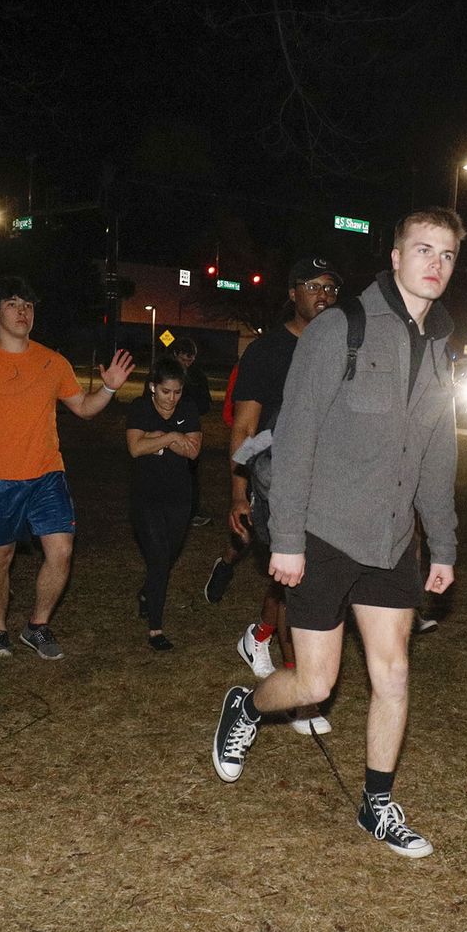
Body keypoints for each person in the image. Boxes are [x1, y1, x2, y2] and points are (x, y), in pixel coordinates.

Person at [211, 211, 461, 859]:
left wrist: (443, 543)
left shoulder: (440, 347)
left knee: (394, 672)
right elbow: (293, 440)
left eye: (448, 254)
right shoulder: (339, 328)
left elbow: (438, 451)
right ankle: (246, 707)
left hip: (390, 540)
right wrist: (286, 538)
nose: (435, 263)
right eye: (423, 249)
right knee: (315, 683)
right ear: (397, 256)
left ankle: (377, 805)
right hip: (323, 533)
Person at [0, 277, 134, 660]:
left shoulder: (52, 360)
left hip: (47, 472)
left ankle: (37, 625)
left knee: (61, 550)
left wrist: (109, 388)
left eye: (27, 306)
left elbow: (83, 408)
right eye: (13, 305)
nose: (22, 312)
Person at [207, 257, 342, 736]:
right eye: (312, 285)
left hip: (329, 483)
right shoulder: (267, 352)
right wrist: (238, 493)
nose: (323, 295)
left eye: (330, 287)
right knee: (299, 576)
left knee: (299, 578)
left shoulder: (344, 347)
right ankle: (300, 697)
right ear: (292, 293)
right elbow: (244, 427)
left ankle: (258, 636)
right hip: (274, 478)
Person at [125, 357, 201, 650]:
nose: (172, 399)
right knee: (158, 559)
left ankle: (147, 593)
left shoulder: (188, 410)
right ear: (152, 387)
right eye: (166, 391)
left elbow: (193, 452)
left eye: (177, 392)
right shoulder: (140, 408)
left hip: (180, 498)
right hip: (146, 498)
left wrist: (155, 439)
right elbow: (135, 448)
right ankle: (155, 628)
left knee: (166, 558)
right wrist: (172, 437)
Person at [169, 337, 214, 526]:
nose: (187, 364)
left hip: (190, 428)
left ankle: (191, 512)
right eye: (184, 359)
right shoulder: (166, 372)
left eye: (191, 360)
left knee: (190, 471)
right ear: (175, 355)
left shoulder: (197, 376)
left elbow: (206, 404)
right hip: (168, 427)